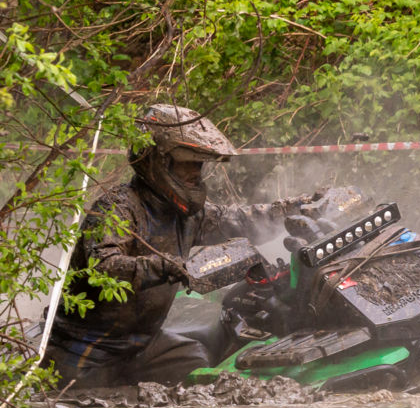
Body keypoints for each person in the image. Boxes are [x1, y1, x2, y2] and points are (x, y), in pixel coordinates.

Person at [44, 104, 315, 388]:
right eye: (188, 163)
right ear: (158, 161)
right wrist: (167, 266)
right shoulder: (117, 207)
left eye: (199, 165)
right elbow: (103, 267)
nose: (196, 172)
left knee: (200, 370)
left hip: (144, 344)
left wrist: (298, 207)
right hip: (85, 346)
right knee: (77, 396)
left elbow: (237, 220)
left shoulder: (187, 214)